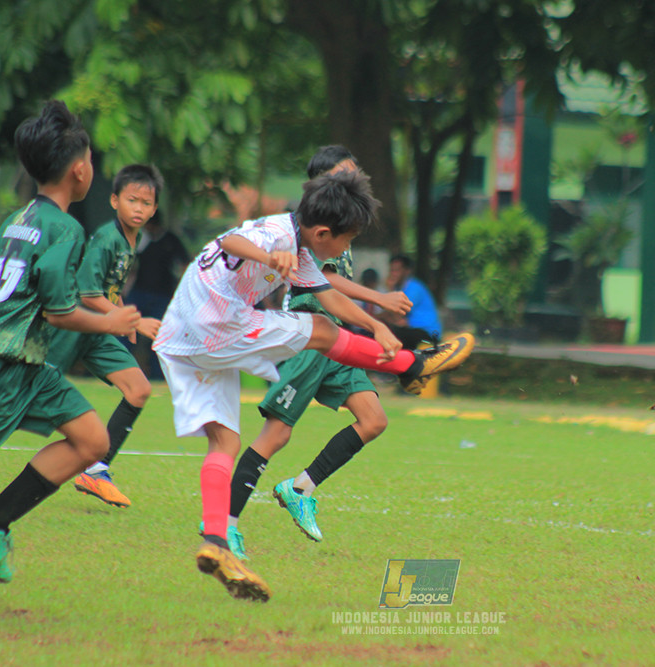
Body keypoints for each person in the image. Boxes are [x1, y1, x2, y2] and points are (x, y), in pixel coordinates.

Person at [152, 167, 474, 602]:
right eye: (347, 239)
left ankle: (217, 542)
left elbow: (330, 293)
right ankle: (412, 367)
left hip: (180, 337)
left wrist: (374, 326)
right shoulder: (277, 233)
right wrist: (269, 258)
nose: (347, 247)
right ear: (323, 232)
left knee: (224, 443)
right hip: (217, 325)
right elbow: (230, 240)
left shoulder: (303, 250)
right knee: (321, 330)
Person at [0, 100, 140, 583]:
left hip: (26, 365)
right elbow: (60, 312)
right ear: (80, 171)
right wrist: (112, 321)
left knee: (91, 439)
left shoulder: (18, 218)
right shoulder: (65, 230)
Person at [223, 146, 412, 560]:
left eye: (355, 170)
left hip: (338, 332)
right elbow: (323, 284)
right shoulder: (308, 229)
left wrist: (372, 320)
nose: (354, 177)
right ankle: (225, 527)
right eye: (345, 172)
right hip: (311, 329)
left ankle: (301, 488)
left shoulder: (342, 222)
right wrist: (377, 303)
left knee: (374, 418)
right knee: (277, 434)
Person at [46, 164, 165, 508]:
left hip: (99, 329)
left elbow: (108, 289)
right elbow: (86, 293)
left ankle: (96, 472)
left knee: (139, 389)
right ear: (115, 201)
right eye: (132, 200)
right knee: (24, 400)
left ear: (154, 208)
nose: (139, 209)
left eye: (146, 203)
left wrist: (122, 312)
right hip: (73, 325)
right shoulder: (107, 238)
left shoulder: (134, 239)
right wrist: (133, 322)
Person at [124, 215, 190, 380]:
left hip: (163, 295)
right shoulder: (141, 239)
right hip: (139, 291)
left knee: (160, 336)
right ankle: (121, 370)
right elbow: (131, 263)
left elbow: (184, 264)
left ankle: (157, 376)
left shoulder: (171, 240)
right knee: (126, 331)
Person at [381, 254, 442, 349]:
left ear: (407, 271)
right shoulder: (400, 288)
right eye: (391, 270)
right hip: (412, 330)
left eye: (397, 270)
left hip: (426, 333)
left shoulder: (414, 288)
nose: (393, 274)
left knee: (391, 333)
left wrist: (390, 289)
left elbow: (397, 314)